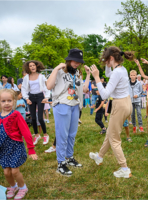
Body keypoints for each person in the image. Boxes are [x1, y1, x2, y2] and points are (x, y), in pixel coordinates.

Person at [0, 89, 38, 199]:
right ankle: (13, 186)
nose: (6, 103)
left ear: (14, 101)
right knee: (7, 173)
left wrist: (31, 149)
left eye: (9, 100)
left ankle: (23, 188)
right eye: (3, 101)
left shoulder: (16, 115)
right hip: (2, 149)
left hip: (15, 147)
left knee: (15, 171)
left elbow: (26, 132)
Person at [89, 46, 133, 178]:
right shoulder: (121, 69)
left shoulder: (117, 72)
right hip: (126, 103)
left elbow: (104, 95)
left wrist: (96, 77)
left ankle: (124, 168)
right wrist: (106, 63)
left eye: (106, 60)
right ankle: (99, 156)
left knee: (114, 139)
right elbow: (109, 74)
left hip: (119, 105)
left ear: (111, 58)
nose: (105, 63)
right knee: (110, 132)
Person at [46, 48, 90, 176]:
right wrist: (55, 69)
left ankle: (69, 157)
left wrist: (88, 75)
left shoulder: (77, 73)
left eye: (79, 62)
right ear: (69, 59)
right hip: (62, 104)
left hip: (75, 105)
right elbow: (49, 86)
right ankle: (61, 163)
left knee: (72, 134)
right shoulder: (59, 71)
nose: (77, 64)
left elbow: (85, 90)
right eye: (75, 61)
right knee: (62, 135)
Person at [21, 60, 50, 145]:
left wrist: (46, 97)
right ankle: (37, 135)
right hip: (31, 97)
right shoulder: (27, 77)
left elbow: (47, 87)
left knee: (40, 118)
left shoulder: (41, 76)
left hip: (40, 97)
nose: (32, 67)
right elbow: (23, 88)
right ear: (28, 68)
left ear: (36, 66)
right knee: (33, 118)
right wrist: (26, 98)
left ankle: (45, 135)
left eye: (34, 65)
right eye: (30, 66)